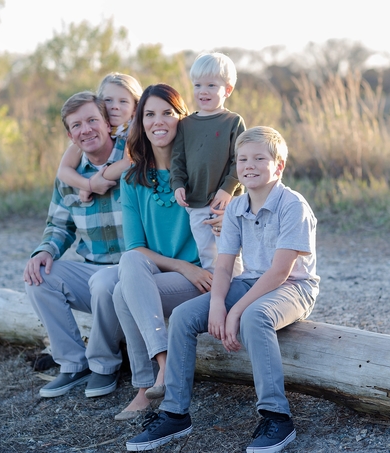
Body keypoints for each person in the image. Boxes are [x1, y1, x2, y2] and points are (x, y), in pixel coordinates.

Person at [126, 126, 320, 452]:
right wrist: (217, 302)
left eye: (260, 158)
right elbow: (226, 266)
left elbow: (279, 272)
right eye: (242, 159)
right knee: (187, 315)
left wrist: (237, 310)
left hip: (293, 286)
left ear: (279, 165)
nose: (249, 165)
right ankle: (174, 413)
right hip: (250, 281)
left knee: (254, 317)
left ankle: (277, 416)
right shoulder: (236, 207)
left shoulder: (293, 206)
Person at [112, 84, 215, 421]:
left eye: (167, 113)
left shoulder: (203, 173)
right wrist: (183, 268)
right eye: (149, 114)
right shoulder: (132, 180)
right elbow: (135, 248)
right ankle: (165, 365)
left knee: (121, 294)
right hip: (175, 274)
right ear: (140, 123)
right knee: (128, 264)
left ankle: (144, 388)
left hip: (203, 279)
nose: (159, 121)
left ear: (181, 118)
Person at [23, 91, 125, 400]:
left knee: (105, 283)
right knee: (39, 277)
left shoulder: (132, 158)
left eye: (93, 120)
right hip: (93, 269)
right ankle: (73, 363)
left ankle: (105, 366)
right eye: (77, 125)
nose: (87, 130)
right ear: (70, 135)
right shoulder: (69, 175)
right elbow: (58, 224)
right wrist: (44, 251)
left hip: (134, 268)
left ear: (108, 123)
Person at [170, 51, 245, 274]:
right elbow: (178, 160)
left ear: (227, 90)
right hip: (196, 202)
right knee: (207, 253)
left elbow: (239, 159)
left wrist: (227, 190)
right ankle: (215, 296)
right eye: (198, 85)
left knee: (230, 252)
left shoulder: (233, 121)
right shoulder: (186, 124)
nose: (203, 91)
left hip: (226, 202)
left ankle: (238, 293)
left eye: (212, 85)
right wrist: (178, 185)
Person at [57, 73, 142, 202]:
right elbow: (63, 171)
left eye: (123, 101)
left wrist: (93, 183)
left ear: (135, 108)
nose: (115, 106)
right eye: (108, 100)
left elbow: (127, 162)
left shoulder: (136, 128)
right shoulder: (89, 133)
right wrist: (88, 185)